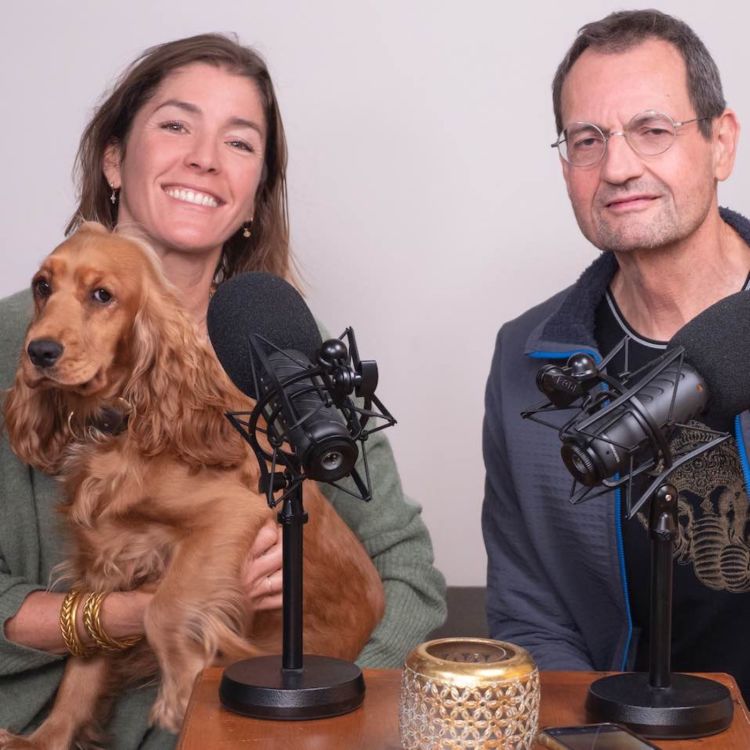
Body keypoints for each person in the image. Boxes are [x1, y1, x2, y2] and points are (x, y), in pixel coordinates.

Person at [0, 33, 446, 747]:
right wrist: (130, 610)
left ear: (252, 199)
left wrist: (341, 713)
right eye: (176, 124)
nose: (204, 157)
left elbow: (408, 574)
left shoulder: (284, 343)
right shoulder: (15, 341)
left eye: (239, 143)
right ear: (114, 158)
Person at [482, 9, 750, 701]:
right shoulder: (526, 359)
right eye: (588, 140)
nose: (619, 167)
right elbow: (530, 613)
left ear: (722, 143)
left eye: (653, 131)